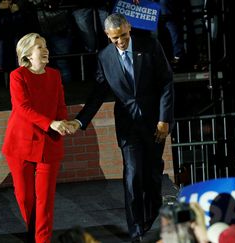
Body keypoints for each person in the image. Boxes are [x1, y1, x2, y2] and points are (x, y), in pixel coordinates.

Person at [70, 13, 174, 242]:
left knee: (152, 176)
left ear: (129, 28)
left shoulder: (150, 46)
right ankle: (136, 230)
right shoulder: (105, 57)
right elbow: (98, 93)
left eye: (124, 35)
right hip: (128, 127)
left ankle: (150, 216)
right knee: (132, 174)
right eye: (115, 38)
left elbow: (166, 81)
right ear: (108, 35)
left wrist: (164, 118)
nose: (120, 41)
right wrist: (80, 120)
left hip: (155, 123)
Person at [2, 33, 75, 243]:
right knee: (26, 198)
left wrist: (63, 122)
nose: (45, 50)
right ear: (27, 54)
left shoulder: (54, 75)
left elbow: (60, 105)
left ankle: (42, 240)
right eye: (39, 47)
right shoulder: (18, 76)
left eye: (45, 46)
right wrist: (50, 123)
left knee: (45, 201)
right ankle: (35, 235)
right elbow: (22, 108)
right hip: (20, 143)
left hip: (48, 143)